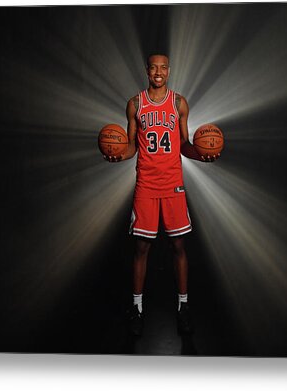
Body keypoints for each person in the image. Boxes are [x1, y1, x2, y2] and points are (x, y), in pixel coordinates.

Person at [103, 54, 219, 336]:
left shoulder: (179, 103)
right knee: (141, 248)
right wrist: (118, 154)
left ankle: (183, 307)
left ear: (169, 71)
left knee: (178, 246)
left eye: (163, 67)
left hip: (173, 185)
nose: (158, 71)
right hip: (146, 185)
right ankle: (137, 308)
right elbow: (130, 146)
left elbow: (184, 145)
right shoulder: (135, 104)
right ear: (147, 71)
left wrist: (202, 155)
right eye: (153, 67)